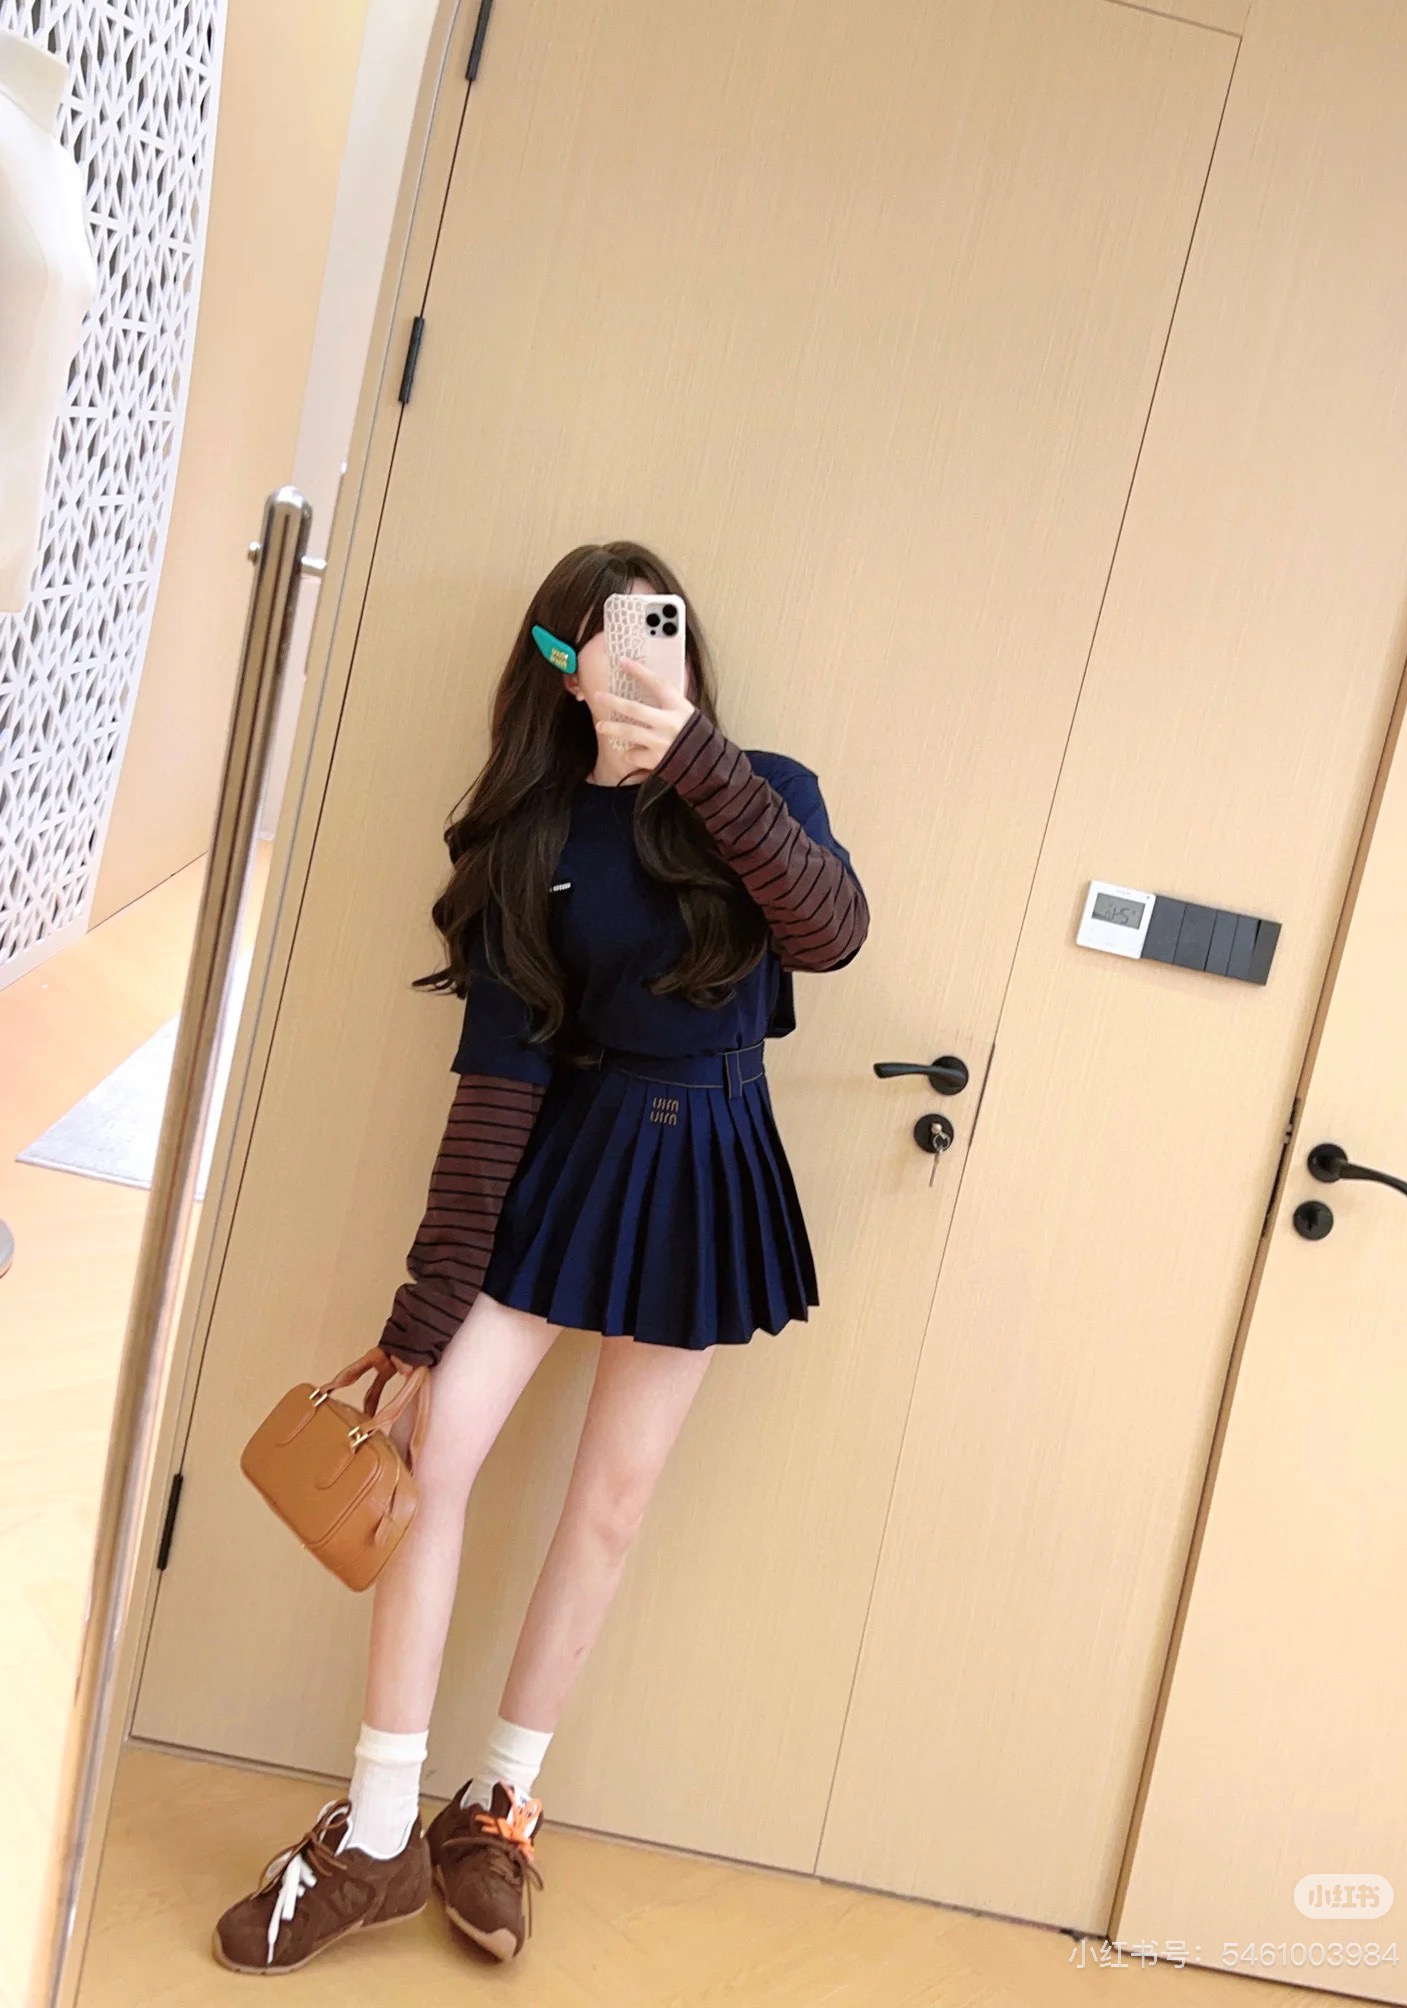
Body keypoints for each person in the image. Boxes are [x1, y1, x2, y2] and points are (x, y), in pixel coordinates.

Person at [212, 541, 869, 1974]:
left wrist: (692, 759)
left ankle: (498, 1809)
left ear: (682, 648)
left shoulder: (766, 791)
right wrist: (422, 1312)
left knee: (612, 1508)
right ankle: (379, 1831)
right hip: (568, 1160)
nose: (622, 663)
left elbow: (829, 934)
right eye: (592, 646)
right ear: (558, 672)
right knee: (428, 1459)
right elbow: (498, 1077)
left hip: (707, 1171)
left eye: (651, 634)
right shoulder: (535, 833)